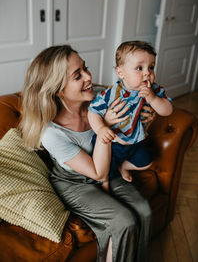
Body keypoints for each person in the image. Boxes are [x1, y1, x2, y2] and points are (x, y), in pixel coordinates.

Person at [19, 44, 155, 262]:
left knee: (144, 211)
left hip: (110, 166)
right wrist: (105, 127)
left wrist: (144, 121)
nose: (89, 76)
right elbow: (98, 173)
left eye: (85, 68)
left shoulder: (103, 99)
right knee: (123, 221)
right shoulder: (51, 133)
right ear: (57, 89)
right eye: (77, 75)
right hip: (75, 182)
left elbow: (128, 137)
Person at [88, 40, 173, 182]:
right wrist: (101, 128)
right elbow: (93, 111)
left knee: (146, 162)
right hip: (113, 142)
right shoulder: (111, 93)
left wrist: (153, 99)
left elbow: (167, 110)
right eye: (139, 68)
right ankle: (105, 184)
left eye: (151, 67)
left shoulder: (154, 90)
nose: (147, 73)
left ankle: (124, 166)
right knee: (107, 171)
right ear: (121, 73)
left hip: (136, 141)